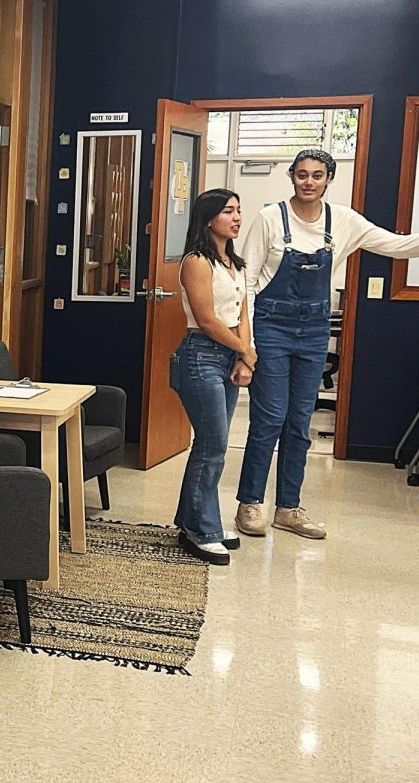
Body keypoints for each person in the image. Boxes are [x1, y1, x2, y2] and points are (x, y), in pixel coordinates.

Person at [234, 149, 419, 540]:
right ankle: (250, 504)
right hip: (271, 328)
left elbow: (400, 246)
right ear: (292, 177)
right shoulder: (269, 218)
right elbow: (247, 281)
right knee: (269, 419)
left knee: (299, 424)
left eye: (318, 175)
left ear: (329, 180)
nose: (309, 181)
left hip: (312, 332)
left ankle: (288, 508)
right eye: (303, 174)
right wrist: (249, 344)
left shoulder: (343, 221)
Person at [171, 188, 257, 565]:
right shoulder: (196, 262)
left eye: (239, 210)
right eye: (228, 211)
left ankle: (195, 520)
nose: (237, 217)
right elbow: (206, 320)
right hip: (200, 355)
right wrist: (245, 349)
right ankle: (201, 530)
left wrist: (244, 357)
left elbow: (242, 313)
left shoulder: (232, 262)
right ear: (208, 219)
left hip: (228, 355)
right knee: (212, 444)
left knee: (214, 447)